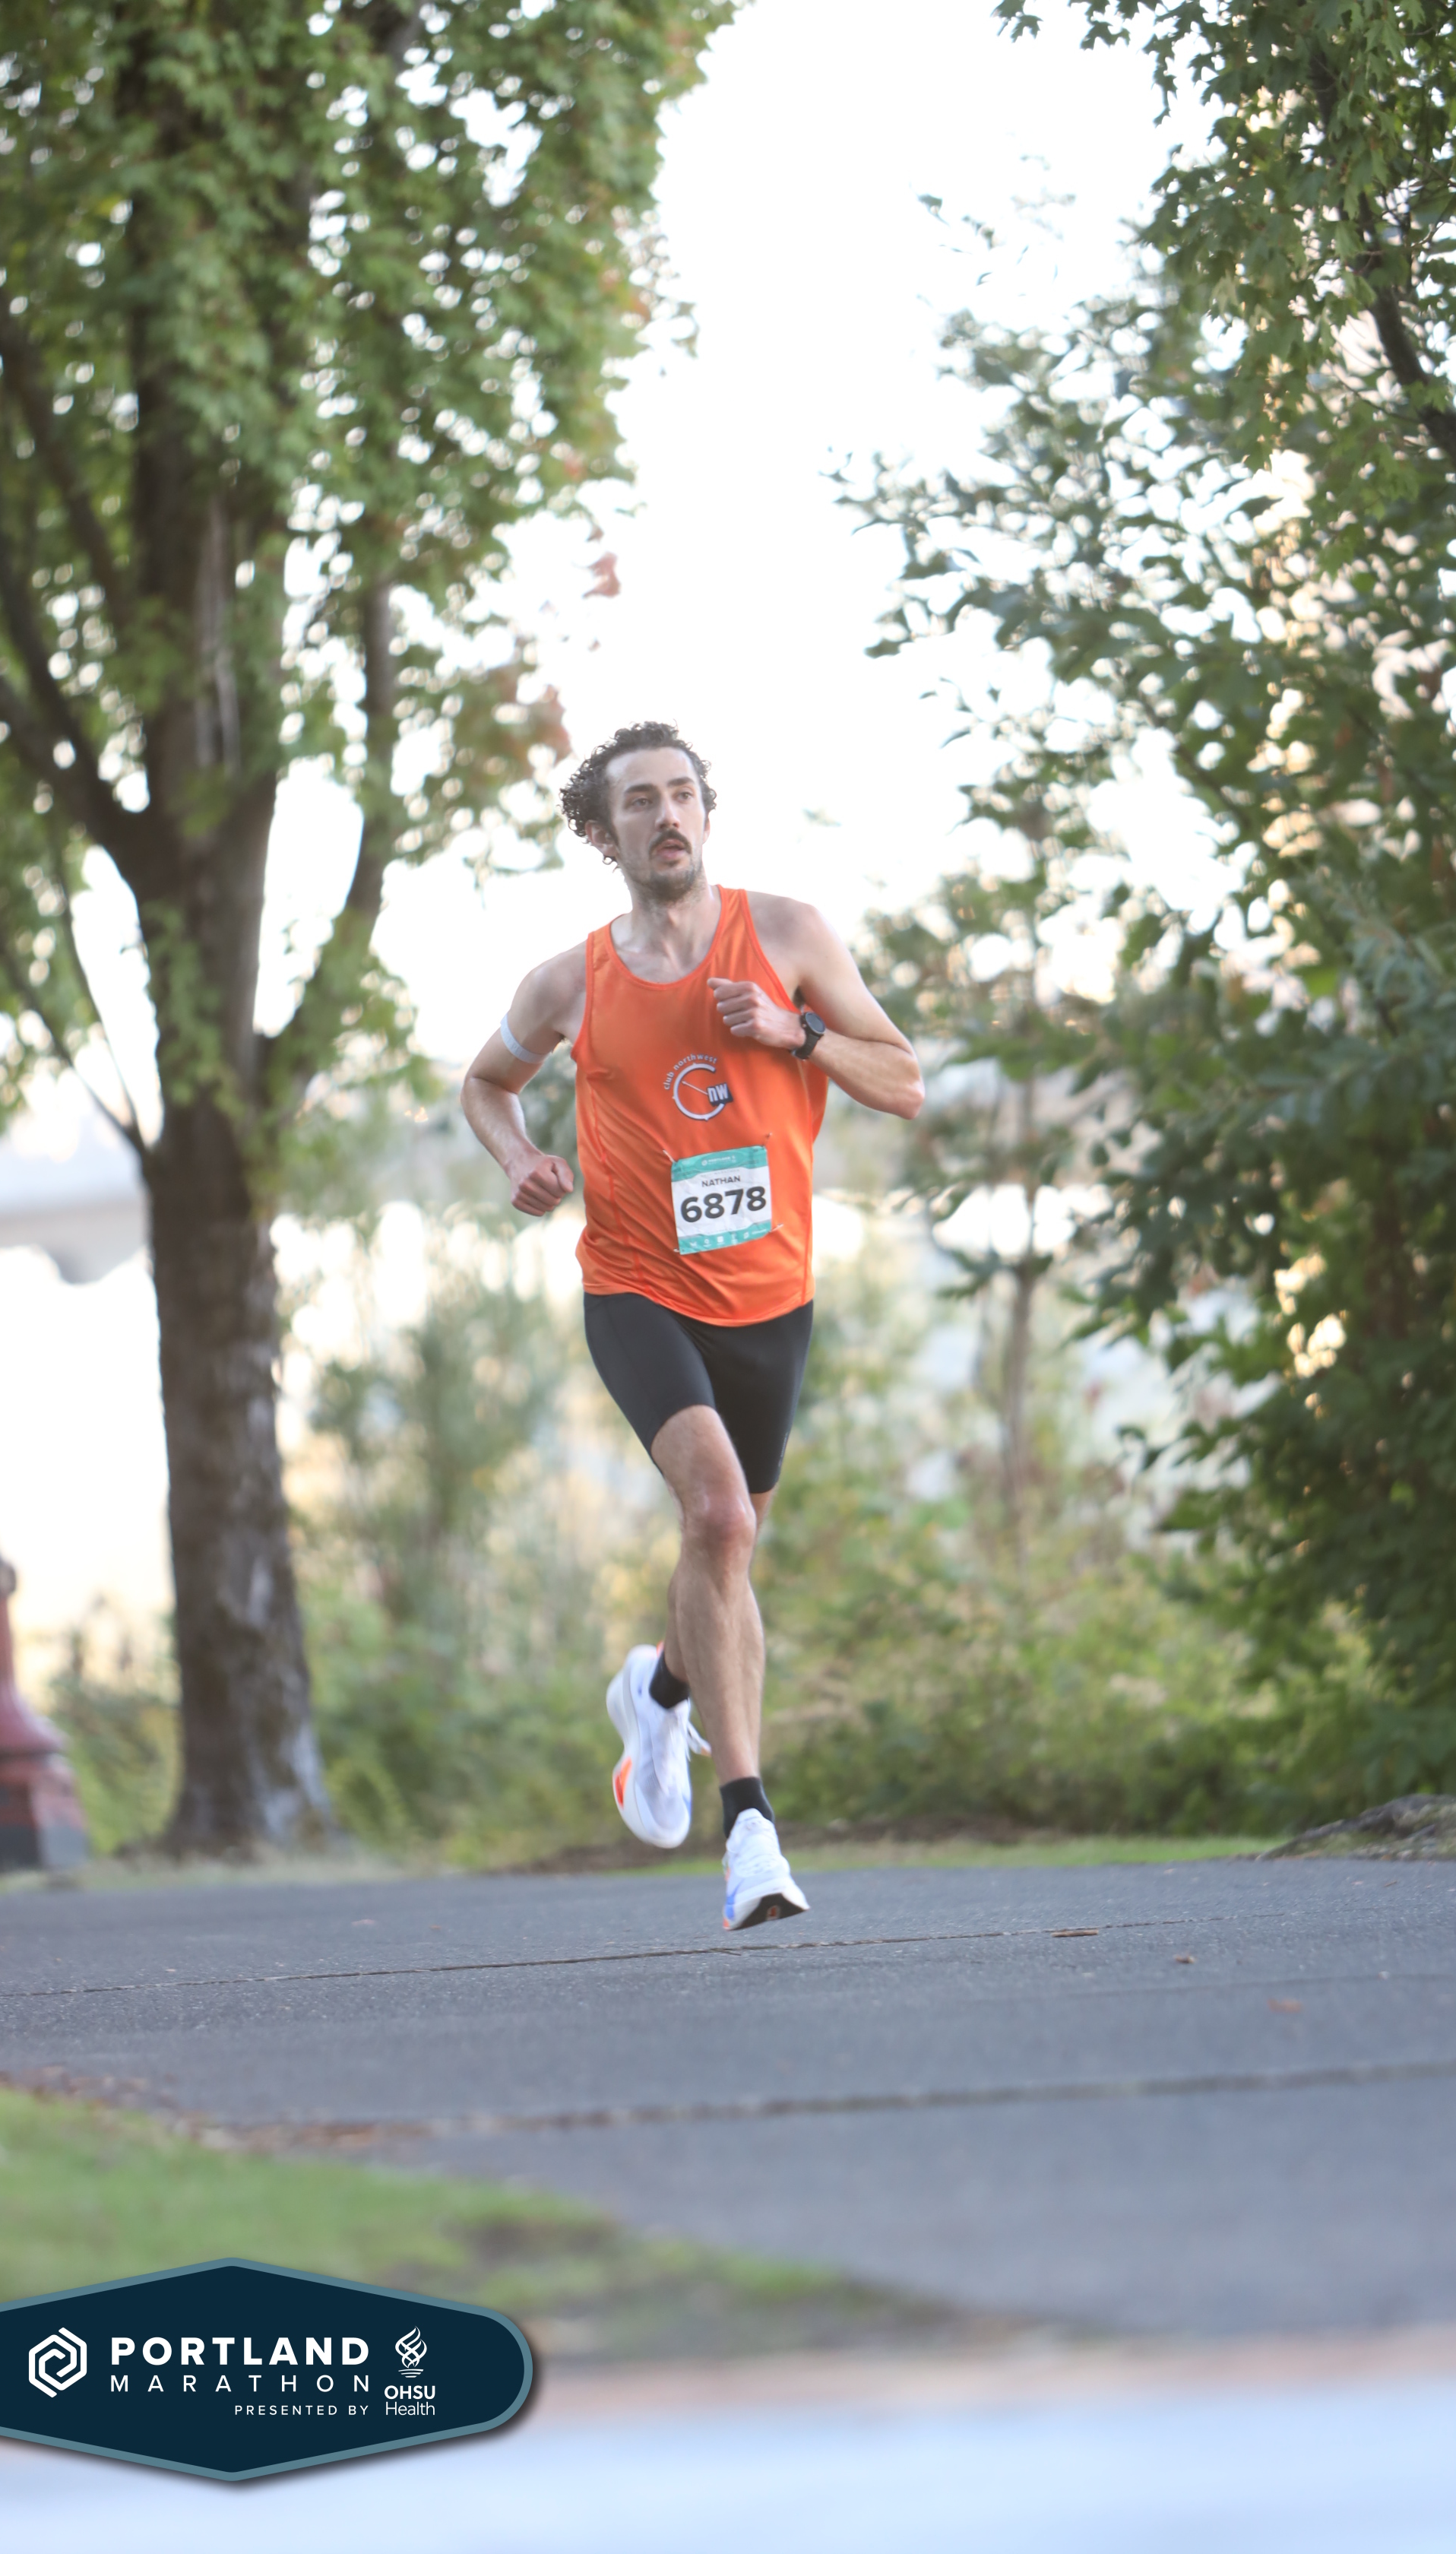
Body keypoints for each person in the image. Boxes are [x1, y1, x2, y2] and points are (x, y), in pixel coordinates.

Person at [462, 722, 923, 1928]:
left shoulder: (788, 936)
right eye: (639, 802)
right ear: (601, 833)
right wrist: (518, 1157)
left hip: (770, 1300)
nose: (666, 816)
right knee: (716, 1517)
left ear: (706, 815)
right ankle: (751, 1833)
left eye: (682, 795)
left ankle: (659, 1694)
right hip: (638, 1288)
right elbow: (485, 1083)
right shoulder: (569, 983)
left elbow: (904, 1081)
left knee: (728, 1550)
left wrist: (795, 1031)